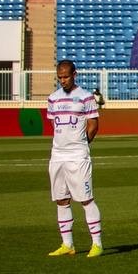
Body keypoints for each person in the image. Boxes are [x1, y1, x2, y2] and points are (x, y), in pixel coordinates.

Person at [46, 60, 105, 257]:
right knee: (61, 200)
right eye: (60, 77)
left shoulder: (85, 97)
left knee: (86, 199)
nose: (63, 80)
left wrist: (81, 144)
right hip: (57, 156)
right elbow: (54, 126)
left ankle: (97, 244)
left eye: (66, 76)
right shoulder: (53, 99)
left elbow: (93, 125)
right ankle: (67, 244)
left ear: (74, 75)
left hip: (78, 156)